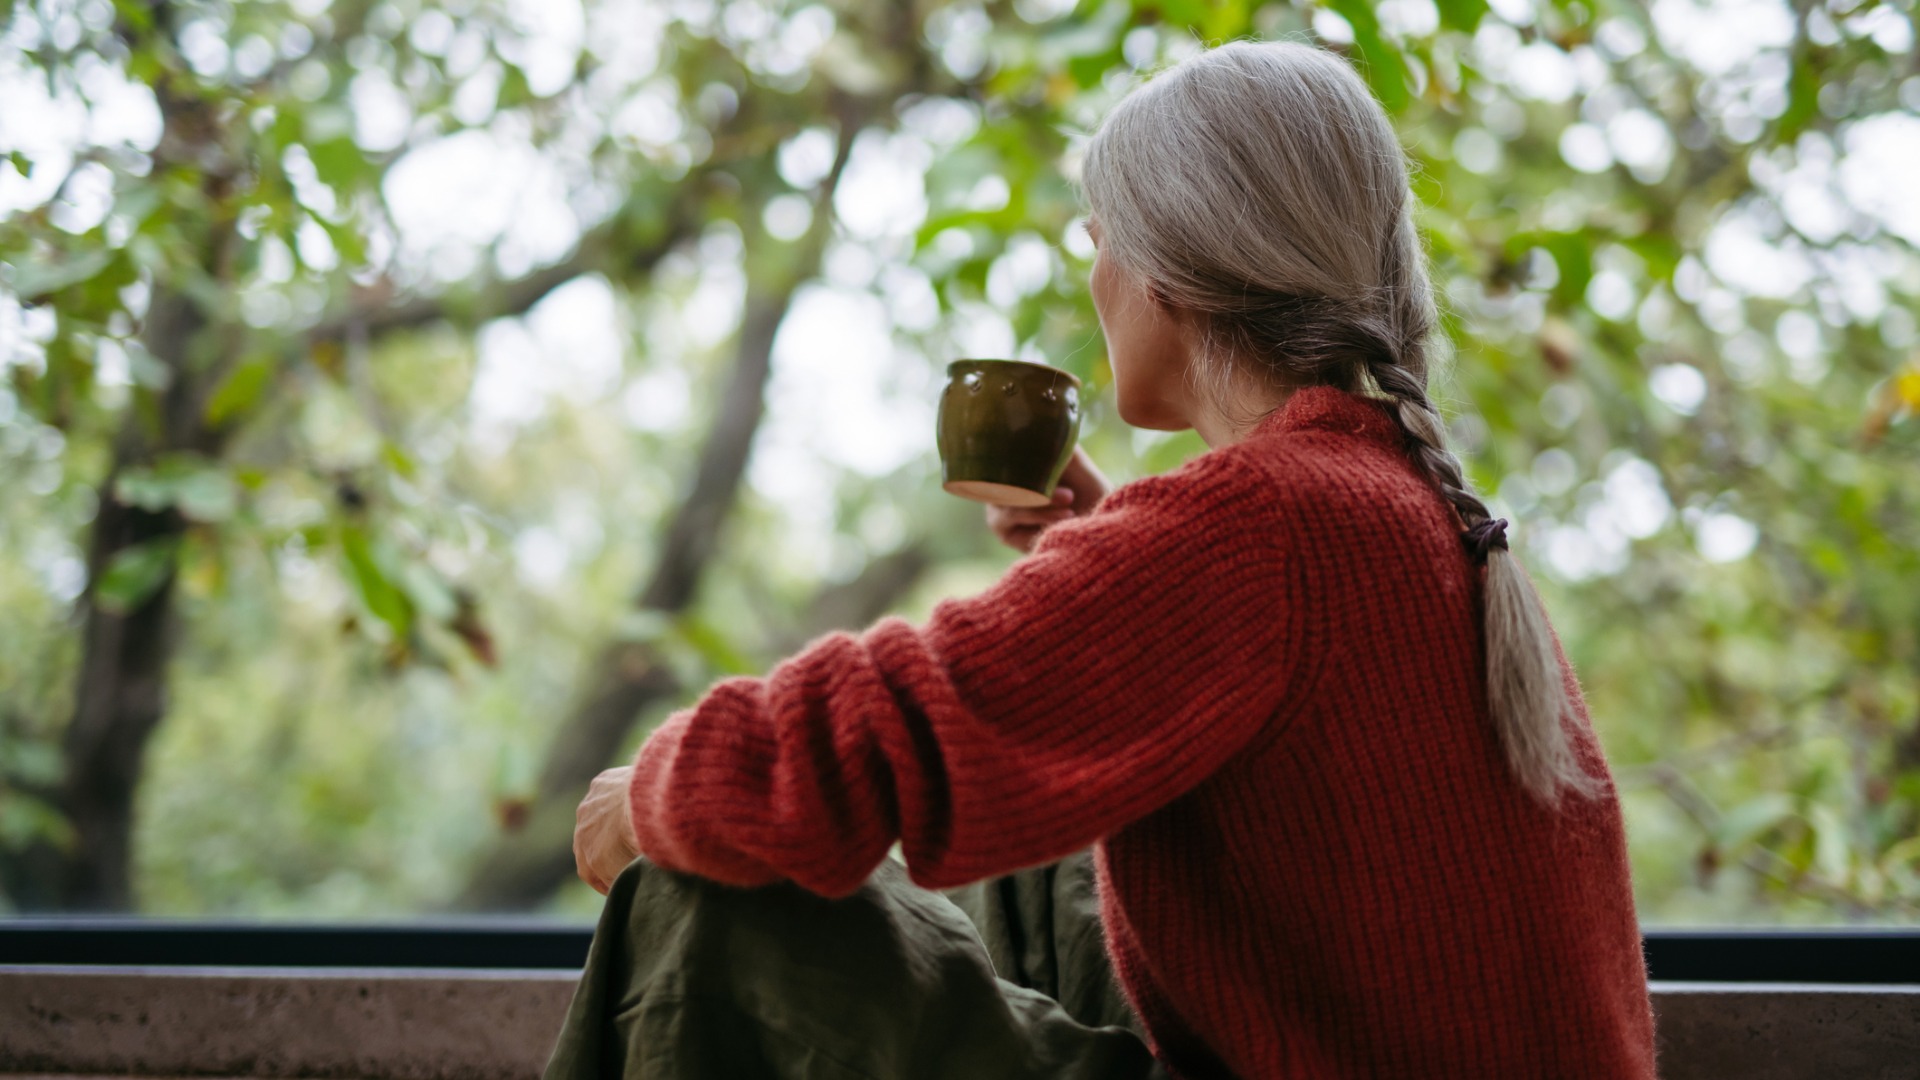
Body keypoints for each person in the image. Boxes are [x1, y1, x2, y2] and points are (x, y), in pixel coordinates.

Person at [551, 38, 1656, 1080]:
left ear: (1170, 270)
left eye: (1100, 245)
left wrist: (646, 798)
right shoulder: (1394, 501)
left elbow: (874, 740)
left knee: (701, 895)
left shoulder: (1262, 519)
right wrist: (1101, 551)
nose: (1097, 285)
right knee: (1055, 844)